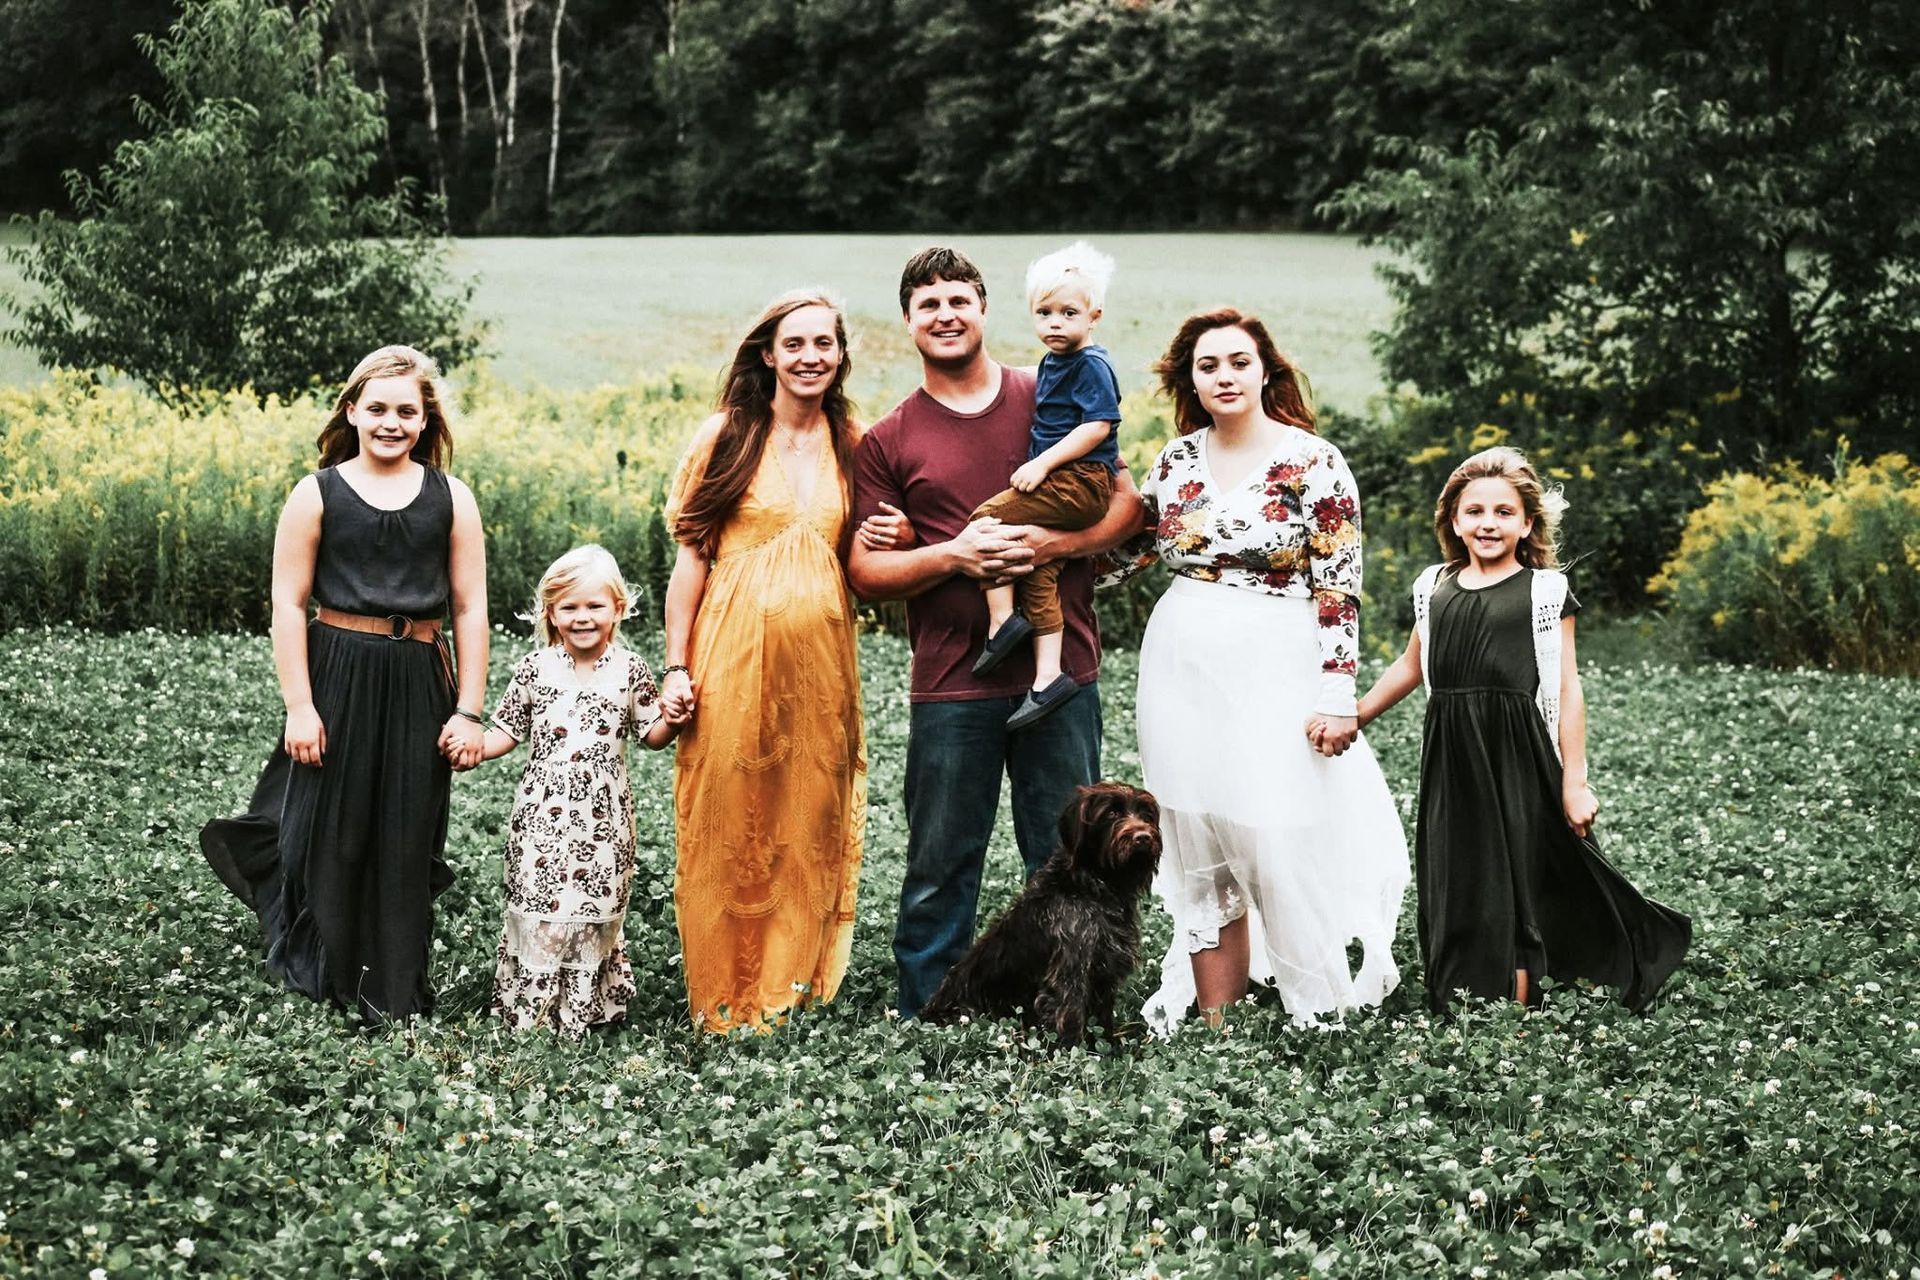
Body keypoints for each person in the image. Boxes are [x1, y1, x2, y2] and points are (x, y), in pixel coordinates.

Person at [848, 246, 1145, 1019]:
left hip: (1061, 674)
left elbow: (1126, 507)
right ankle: (932, 1017)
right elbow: (866, 572)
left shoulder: (1048, 389)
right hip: (952, 680)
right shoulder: (888, 440)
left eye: (959, 300)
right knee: (941, 864)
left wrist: (1053, 546)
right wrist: (951, 553)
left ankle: (1068, 1009)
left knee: (1071, 861)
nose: (946, 315)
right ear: (909, 322)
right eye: (928, 305)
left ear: (983, 309)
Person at [1100, 307, 1407, 1029]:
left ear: (1265, 369)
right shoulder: (1175, 461)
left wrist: (1338, 693)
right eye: (1208, 366)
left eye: (1238, 361)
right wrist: (1036, 549)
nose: (1224, 376)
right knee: (1196, 833)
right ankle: (1216, 1025)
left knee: (1271, 833)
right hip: (1179, 666)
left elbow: (1338, 582)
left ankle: (1316, 1011)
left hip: (1275, 663)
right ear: (1191, 380)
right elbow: (1124, 560)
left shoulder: (1313, 461)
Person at [200, 345, 488, 1025]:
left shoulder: (453, 498)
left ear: (425, 421)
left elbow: (470, 607)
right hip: (336, 669)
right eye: (378, 408)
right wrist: (300, 705)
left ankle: (393, 984)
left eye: (406, 411)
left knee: (406, 826)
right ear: (353, 410)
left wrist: (470, 710)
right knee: (329, 823)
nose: (392, 422)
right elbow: (286, 604)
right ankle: (321, 966)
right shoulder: (316, 492)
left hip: (419, 675)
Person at [1351, 446, 1691, 1012]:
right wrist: (1353, 717)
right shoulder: (1432, 586)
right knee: (1458, 871)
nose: (1488, 523)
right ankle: (1459, 992)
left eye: (1504, 512)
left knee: (1517, 873)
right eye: (1475, 511)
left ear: (1527, 522)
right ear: (1453, 521)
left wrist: (1574, 780)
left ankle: (1515, 1003)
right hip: (1453, 754)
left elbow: (1568, 685)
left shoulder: (1545, 592)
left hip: (1518, 754)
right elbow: (1412, 665)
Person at [662, 289, 889, 1033]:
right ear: (768, 353)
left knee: (805, 820)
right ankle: (723, 998)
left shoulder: (854, 440)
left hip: (820, 667)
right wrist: (674, 665)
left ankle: (788, 995)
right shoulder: (726, 434)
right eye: (795, 344)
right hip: (726, 653)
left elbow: (868, 547)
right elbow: (691, 562)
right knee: (728, 817)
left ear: (840, 354)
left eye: (824, 344)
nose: (810, 357)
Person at [471, 545, 685, 1036]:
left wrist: (672, 720)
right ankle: (533, 1011)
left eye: (594, 606)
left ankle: (585, 1011)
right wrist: (472, 747)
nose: (582, 617)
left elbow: (650, 735)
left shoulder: (630, 670)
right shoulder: (534, 669)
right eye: (569, 607)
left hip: (604, 820)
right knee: (543, 906)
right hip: (541, 818)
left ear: (618, 609)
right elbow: (507, 729)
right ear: (550, 612)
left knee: (592, 909)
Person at [967, 241, 1125, 730]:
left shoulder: (1090, 363)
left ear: (1094, 316)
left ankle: (1001, 623)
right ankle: (1048, 677)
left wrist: (1043, 465)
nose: (1055, 323)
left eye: (1068, 312)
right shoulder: (1053, 363)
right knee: (1039, 572)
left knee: (986, 521)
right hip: (1068, 480)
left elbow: (1099, 424)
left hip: (1078, 480)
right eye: (1044, 313)